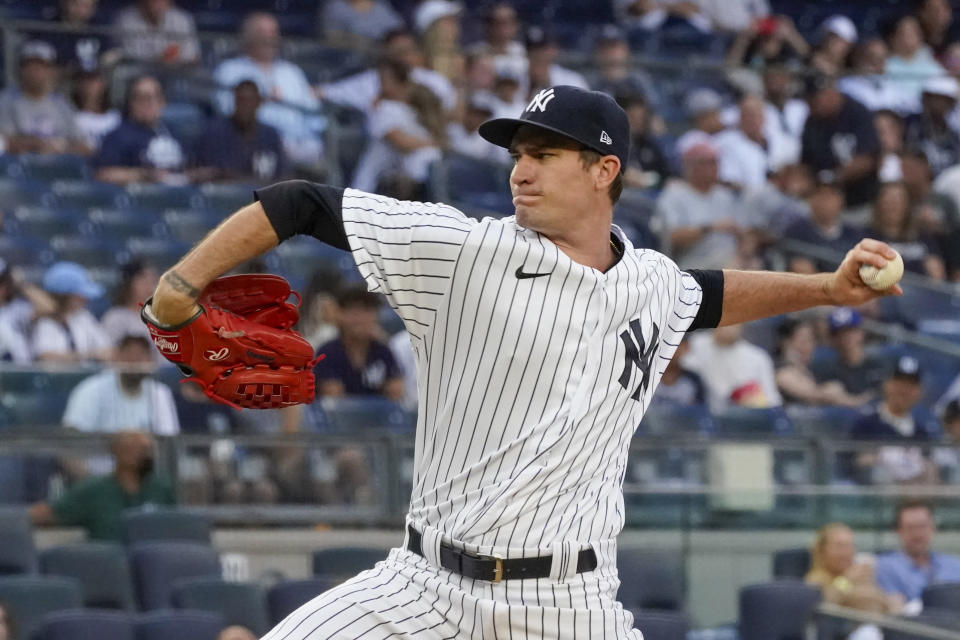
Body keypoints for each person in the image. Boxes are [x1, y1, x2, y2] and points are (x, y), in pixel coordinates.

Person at [143, 84, 905, 638]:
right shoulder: (466, 251)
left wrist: (824, 289)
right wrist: (180, 289)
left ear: (603, 171)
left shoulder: (650, 283)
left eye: (544, 154)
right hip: (424, 588)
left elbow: (708, 295)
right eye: (517, 155)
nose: (521, 170)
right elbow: (300, 201)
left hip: (570, 606)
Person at [213, 12, 323, 167]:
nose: (269, 39)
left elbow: (314, 113)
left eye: (273, 33)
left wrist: (310, 135)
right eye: (262, 33)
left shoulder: (291, 72)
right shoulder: (230, 70)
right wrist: (263, 102)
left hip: (299, 143)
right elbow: (227, 109)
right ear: (248, 37)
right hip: (254, 141)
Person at [28, 431, 175, 541]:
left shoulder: (161, 489)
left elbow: (176, 528)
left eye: (148, 450)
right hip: (110, 567)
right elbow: (44, 514)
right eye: (139, 449)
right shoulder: (95, 490)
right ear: (119, 453)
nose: (146, 455)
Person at [350, 59, 445, 198]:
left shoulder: (410, 111)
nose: (382, 86)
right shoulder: (385, 108)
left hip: (402, 189)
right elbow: (400, 142)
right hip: (371, 189)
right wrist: (434, 142)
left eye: (385, 81)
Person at [655, 136, 745, 269]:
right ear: (691, 166)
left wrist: (746, 246)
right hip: (695, 267)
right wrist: (709, 228)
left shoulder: (724, 195)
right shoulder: (674, 194)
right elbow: (669, 237)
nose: (716, 167)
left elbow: (743, 232)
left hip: (733, 260)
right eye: (709, 162)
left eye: (716, 162)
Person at [62, 334, 180, 435]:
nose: (135, 360)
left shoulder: (160, 392)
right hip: (101, 461)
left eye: (141, 355)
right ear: (116, 357)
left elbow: (168, 440)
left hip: (149, 461)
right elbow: (71, 441)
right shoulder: (91, 389)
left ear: (150, 360)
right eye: (129, 353)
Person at [850, 356, 942, 484]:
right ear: (886, 384)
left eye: (911, 385)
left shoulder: (922, 432)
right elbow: (858, 465)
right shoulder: (866, 424)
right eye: (899, 382)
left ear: (919, 391)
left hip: (915, 500)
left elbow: (931, 472)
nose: (904, 390)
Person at [801, 74, 880, 210]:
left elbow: (867, 160)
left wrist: (832, 178)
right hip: (824, 199)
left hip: (861, 199)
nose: (811, 105)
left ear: (831, 93)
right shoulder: (812, 121)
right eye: (809, 100)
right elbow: (806, 161)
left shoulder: (858, 113)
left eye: (815, 99)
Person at [93, 75, 188, 185]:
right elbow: (102, 175)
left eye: (152, 97)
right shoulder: (117, 137)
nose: (147, 104)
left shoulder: (175, 133)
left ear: (162, 102)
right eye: (140, 98)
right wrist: (145, 175)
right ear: (130, 103)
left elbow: (189, 168)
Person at [0, 41, 90, 156]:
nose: (35, 71)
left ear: (52, 71)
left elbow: (84, 146)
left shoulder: (61, 104)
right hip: (19, 168)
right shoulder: (5, 101)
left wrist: (63, 147)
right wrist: (37, 144)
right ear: (20, 69)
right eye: (29, 65)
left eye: (41, 66)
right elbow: (3, 142)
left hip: (58, 167)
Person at [315, 285, 404, 401]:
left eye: (367, 311)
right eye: (354, 311)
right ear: (340, 314)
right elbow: (334, 399)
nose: (360, 319)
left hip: (378, 418)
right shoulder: (327, 352)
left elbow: (396, 393)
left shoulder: (383, 351)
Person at [192, 80, 287, 184]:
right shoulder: (214, 133)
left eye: (250, 101)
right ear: (235, 101)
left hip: (261, 196)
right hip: (224, 195)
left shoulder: (270, 136)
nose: (245, 106)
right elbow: (205, 172)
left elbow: (282, 177)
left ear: (259, 103)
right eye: (241, 100)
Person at [876, 499, 960, 603]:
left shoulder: (954, 565)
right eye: (910, 527)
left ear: (933, 528)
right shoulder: (885, 567)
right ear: (898, 531)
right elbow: (895, 609)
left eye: (922, 526)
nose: (917, 533)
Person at [805, 522, 901, 614]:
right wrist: (847, 580)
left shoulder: (858, 574)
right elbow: (824, 602)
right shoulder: (817, 578)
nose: (847, 552)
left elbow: (878, 602)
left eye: (850, 546)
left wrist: (890, 601)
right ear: (822, 551)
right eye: (840, 546)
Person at [685, 323, 782, 412]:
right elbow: (683, 371)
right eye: (724, 321)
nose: (727, 327)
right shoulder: (695, 344)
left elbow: (772, 399)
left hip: (746, 416)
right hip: (705, 413)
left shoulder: (757, 356)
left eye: (733, 323)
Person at [774, 318, 869, 408]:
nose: (808, 347)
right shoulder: (782, 372)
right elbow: (814, 395)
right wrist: (856, 401)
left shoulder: (811, 370)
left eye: (811, 340)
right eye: (803, 341)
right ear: (786, 344)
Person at [30, 262, 111, 363]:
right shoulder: (43, 322)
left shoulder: (84, 317)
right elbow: (46, 357)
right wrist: (89, 355)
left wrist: (86, 355)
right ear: (64, 296)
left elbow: (109, 351)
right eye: (79, 295)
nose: (85, 299)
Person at [783, 173, 863, 274]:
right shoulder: (796, 231)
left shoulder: (854, 234)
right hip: (813, 286)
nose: (825, 200)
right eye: (819, 193)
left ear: (841, 200)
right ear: (810, 199)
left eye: (831, 194)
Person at [868, 181, 946, 279]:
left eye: (899, 202)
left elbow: (938, 279)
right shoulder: (867, 237)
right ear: (878, 204)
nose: (894, 207)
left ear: (908, 206)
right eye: (888, 201)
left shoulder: (924, 238)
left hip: (920, 291)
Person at [812, 307, 889, 397]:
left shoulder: (879, 365)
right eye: (839, 334)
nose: (846, 337)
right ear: (832, 339)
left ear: (861, 333)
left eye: (850, 331)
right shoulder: (826, 368)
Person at [883, 14, 946, 114]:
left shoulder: (932, 66)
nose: (910, 37)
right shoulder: (884, 66)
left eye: (914, 32)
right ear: (893, 38)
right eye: (905, 33)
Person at [903, 77, 960, 178]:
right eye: (936, 99)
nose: (940, 104)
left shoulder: (953, 136)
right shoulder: (910, 124)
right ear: (926, 99)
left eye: (945, 100)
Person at [114, 0, 199, 65]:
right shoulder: (125, 20)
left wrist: (170, 58)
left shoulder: (182, 19)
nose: (155, 2)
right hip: (138, 76)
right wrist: (161, 59)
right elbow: (128, 58)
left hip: (176, 75)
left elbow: (192, 57)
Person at [618, 92, 672, 190]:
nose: (637, 122)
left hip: (649, 196)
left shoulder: (649, 143)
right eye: (632, 117)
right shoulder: (607, 143)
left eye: (642, 118)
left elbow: (667, 175)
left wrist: (649, 179)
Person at [100, 260, 158, 347]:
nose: (149, 287)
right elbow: (109, 353)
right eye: (144, 282)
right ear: (129, 285)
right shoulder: (115, 318)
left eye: (152, 282)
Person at [71, 68, 121, 152]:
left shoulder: (116, 117)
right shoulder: (72, 117)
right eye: (83, 80)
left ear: (103, 83)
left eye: (93, 80)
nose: (88, 85)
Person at [318, 0, 403, 44]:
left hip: (396, 47)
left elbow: (398, 26)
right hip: (364, 59)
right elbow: (331, 39)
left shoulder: (381, 2)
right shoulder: (335, 8)